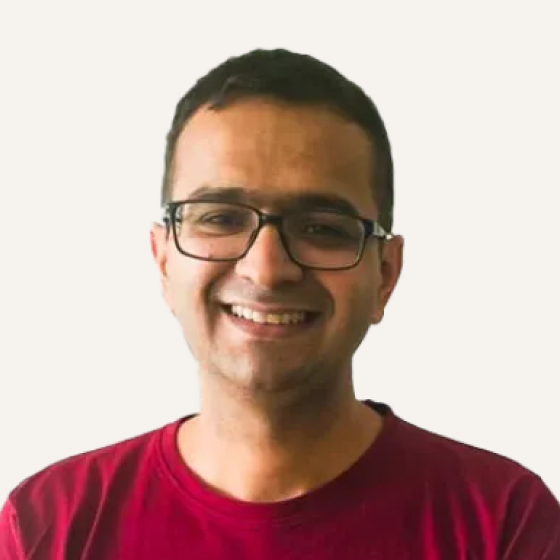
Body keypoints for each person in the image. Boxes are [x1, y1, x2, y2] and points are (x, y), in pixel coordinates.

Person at [1, 48, 558, 560]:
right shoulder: (48, 524)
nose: (266, 270)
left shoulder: (506, 523)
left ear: (386, 274)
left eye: (322, 227)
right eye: (220, 217)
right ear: (164, 260)